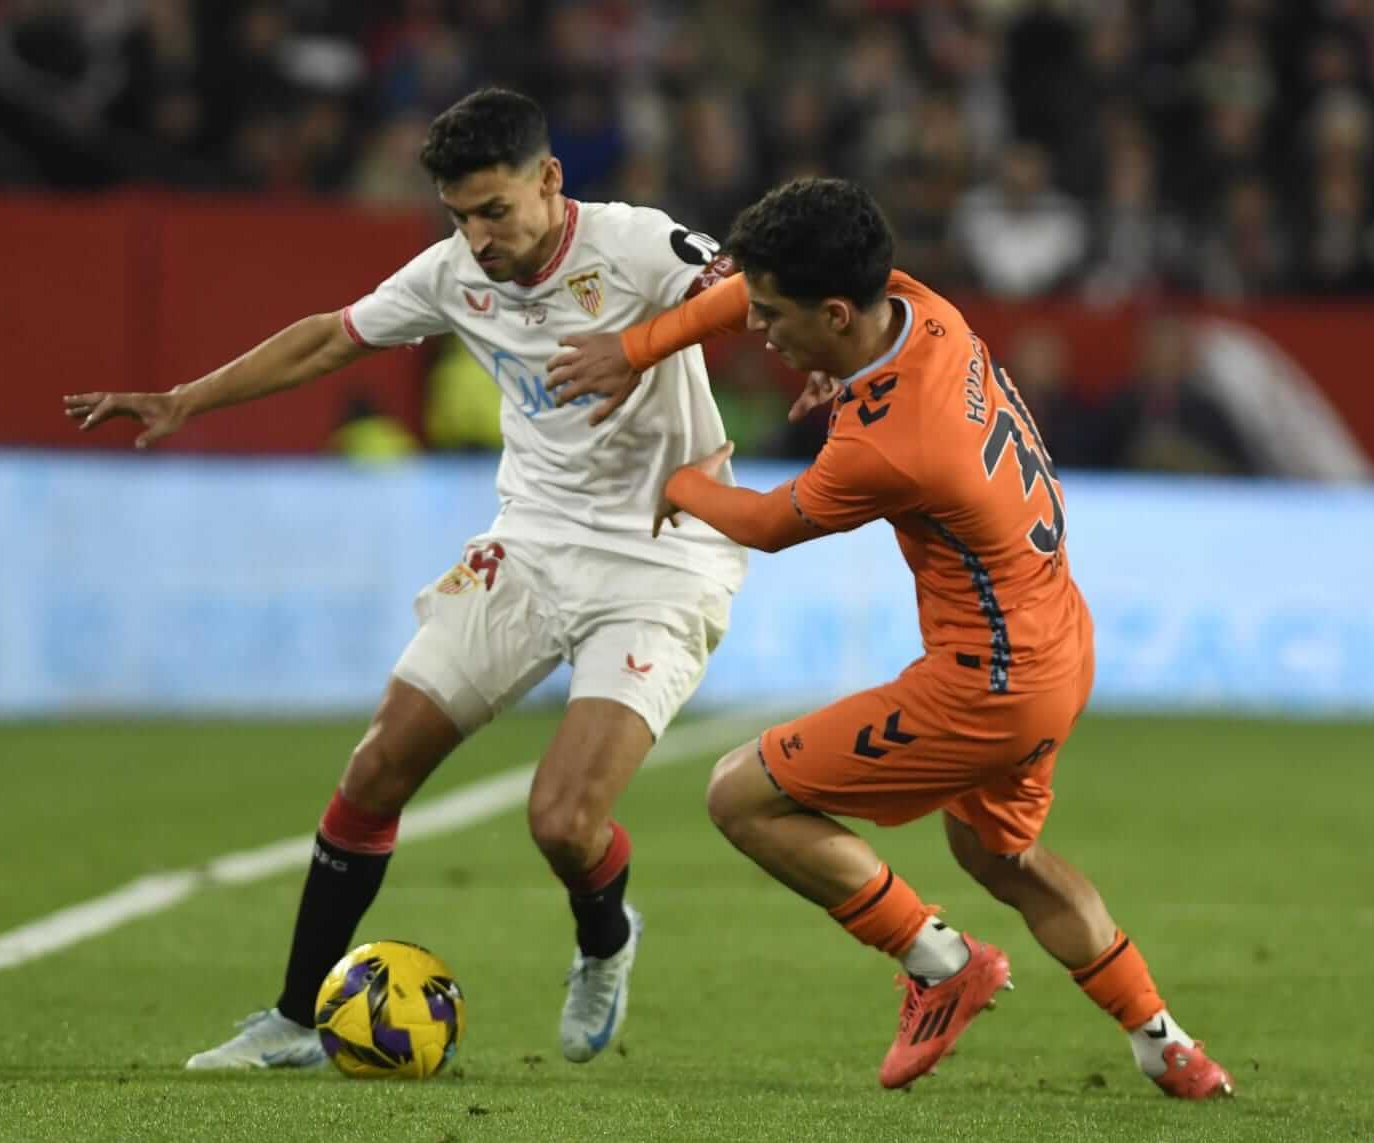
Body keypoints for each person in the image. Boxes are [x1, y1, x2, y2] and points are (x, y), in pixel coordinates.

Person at [62, 88, 745, 1070]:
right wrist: (187, 399)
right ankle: (297, 1019)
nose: (476, 237)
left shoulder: (634, 245)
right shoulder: (451, 273)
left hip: (663, 555)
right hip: (533, 545)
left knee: (561, 821)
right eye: (458, 215)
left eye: (494, 211)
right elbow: (329, 335)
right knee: (376, 769)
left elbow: (739, 293)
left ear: (549, 183)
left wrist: (634, 346)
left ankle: (605, 936)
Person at [546, 177, 1233, 1097]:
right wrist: (640, 348)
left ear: (835, 313)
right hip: (1060, 645)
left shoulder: (891, 444)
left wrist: (679, 481)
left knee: (741, 795)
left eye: (776, 316)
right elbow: (773, 314)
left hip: (987, 683)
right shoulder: (916, 305)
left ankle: (938, 964)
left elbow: (762, 522)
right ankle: (1167, 1042)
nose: (759, 330)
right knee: (1000, 855)